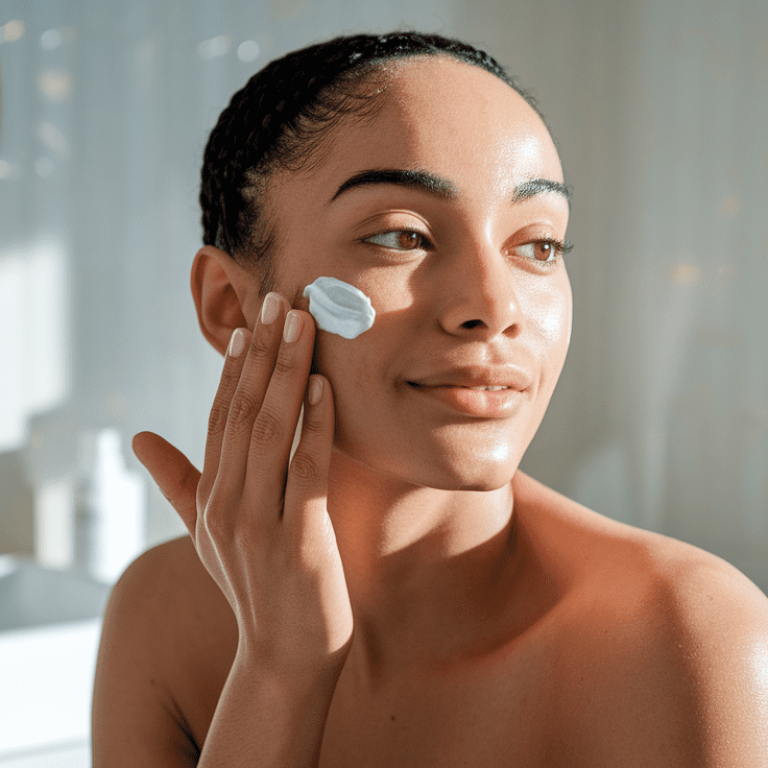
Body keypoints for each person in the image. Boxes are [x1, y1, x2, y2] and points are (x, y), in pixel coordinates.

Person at [92, 32, 768, 767]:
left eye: (538, 244)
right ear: (229, 304)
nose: (493, 303)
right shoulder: (159, 616)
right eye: (401, 235)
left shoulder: (692, 639)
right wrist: (279, 674)